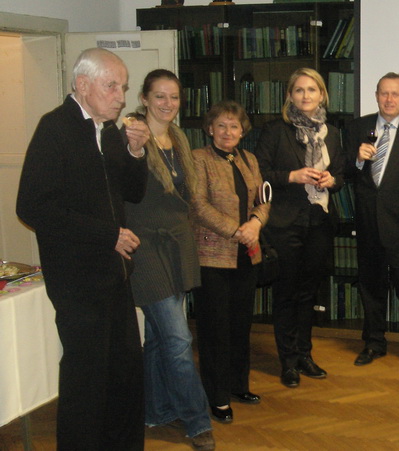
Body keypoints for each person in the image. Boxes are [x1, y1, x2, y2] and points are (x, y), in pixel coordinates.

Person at [16, 47, 150, 450]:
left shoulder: (108, 132)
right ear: (82, 84)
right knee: (86, 381)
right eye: (112, 86)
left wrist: (137, 152)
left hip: (115, 275)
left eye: (123, 87)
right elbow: (33, 207)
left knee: (125, 373)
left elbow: (132, 192)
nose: (120, 97)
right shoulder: (54, 128)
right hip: (77, 279)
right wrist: (107, 235)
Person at [124, 69, 214, 450]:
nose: (167, 104)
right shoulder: (131, 136)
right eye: (159, 96)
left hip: (177, 245)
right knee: (178, 338)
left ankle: (155, 409)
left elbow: (187, 199)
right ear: (144, 99)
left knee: (158, 338)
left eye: (174, 97)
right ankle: (198, 421)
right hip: (145, 248)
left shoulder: (178, 138)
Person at [255, 68, 344, 388]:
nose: (306, 96)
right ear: (289, 96)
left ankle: (305, 354)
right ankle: (288, 361)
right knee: (287, 293)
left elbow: (341, 174)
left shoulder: (332, 133)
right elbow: (259, 174)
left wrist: (332, 180)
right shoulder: (275, 131)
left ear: (322, 95)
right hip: (285, 223)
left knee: (308, 293)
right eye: (299, 90)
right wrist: (292, 176)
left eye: (312, 90)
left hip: (319, 221)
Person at [344, 72, 399, 370]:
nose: (389, 99)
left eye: (395, 94)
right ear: (376, 96)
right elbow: (344, 171)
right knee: (371, 287)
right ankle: (373, 342)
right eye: (384, 93)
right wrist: (357, 159)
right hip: (368, 223)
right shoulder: (358, 127)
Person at [191, 100, 269, 424]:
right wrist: (237, 230)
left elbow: (263, 199)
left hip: (246, 255)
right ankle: (217, 396)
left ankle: (239, 385)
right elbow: (198, 205)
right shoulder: (198, 159)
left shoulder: (248, 159)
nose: (227, 131)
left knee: (240, 325)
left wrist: (256, 223)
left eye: (233, 126)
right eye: (221, 125)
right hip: (212, 258)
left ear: (242, 131)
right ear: (210, 129)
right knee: (215, 330)